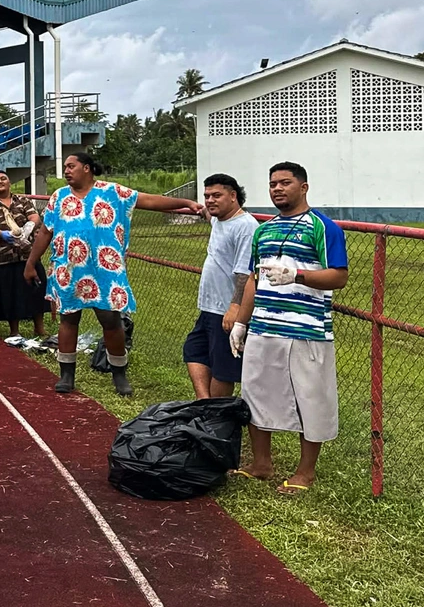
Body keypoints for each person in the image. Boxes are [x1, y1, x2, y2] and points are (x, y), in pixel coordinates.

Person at [25, 152, 203, 396]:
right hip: (69, 270)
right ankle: (66, 374)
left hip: (105, 270)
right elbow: (46, 231)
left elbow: (149, 201)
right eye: (65, 167)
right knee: (68, 319)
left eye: (71, 166)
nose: (66, 171)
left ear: (86, 168)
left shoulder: (113, 192)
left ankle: (119, 373)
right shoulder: (59, 196)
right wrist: (31, 262)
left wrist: (187, 204)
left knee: (110, 320)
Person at [230, 162, 348, 494]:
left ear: (304, 187)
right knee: (255, 393)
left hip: (306, 329)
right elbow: (254, 279)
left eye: (285, 183)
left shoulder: (322, 227)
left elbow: (339, 276)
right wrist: (241, 321)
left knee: (309, 399)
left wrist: (297, 276)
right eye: (272, 184)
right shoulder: (263, 230)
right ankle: (262, 463)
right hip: (264, 326)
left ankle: (305, 472)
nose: (277, 189)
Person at [183, 173, 258, 399]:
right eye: (207, 196)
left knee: (223, 369)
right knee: (194, 350)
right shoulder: (218, 219)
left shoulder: (245, 226)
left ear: (233, 196)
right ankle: (205, 404)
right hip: (209, 307)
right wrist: (194, 206)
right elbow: (208, 213)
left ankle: (217, 417)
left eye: (217, 195)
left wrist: (235, 307)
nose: (210, 200)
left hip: (226, 309)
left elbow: (246, 273)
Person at [0, 168, 47, 341]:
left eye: (3, 179)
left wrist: (29, 226)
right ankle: (14, 331)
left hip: (27, 255)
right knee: (8, 294)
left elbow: (34, 217)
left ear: (9, 182)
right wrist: (2, 234)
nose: (0, 182)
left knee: (36, 290)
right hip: (1, 257)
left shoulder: (22, 200)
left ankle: (39, 328)